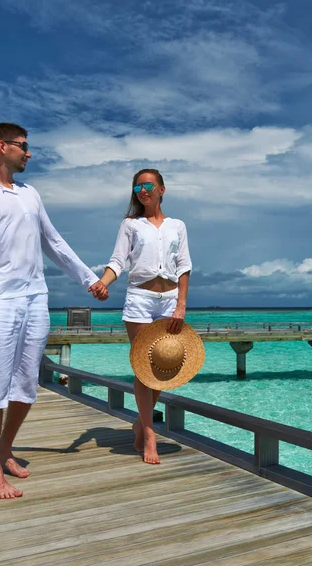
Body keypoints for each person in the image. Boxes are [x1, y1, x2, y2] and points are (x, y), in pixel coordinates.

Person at [0, 122, 108, 500]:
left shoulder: (29, 193)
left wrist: (89, 279)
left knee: (25, 386)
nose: (29, 153)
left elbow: (53, 241)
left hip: (36, 298)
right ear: (2, 147)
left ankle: (4, 451)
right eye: (23, 146)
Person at [99, 168, 192, 465]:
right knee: (144, 369)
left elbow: (184, 266)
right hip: (140, 299)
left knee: (163, 368)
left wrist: (181, 305)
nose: (143, 190)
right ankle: (151, 433)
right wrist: (103, 282)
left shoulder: (177, 225)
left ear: (162, 189)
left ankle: (140, 423)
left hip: (169, 302)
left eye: (149, 185)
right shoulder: (130, 225)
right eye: (138, 186)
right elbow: (118, 260)